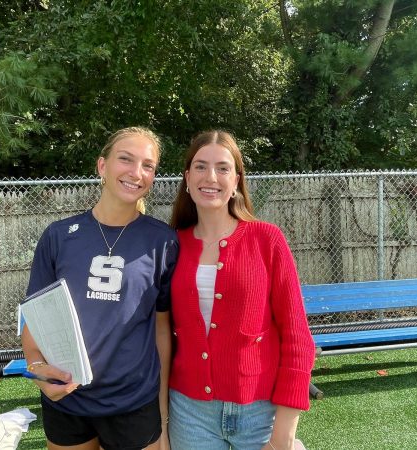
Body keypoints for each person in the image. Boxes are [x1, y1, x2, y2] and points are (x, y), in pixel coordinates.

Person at [21, 127, 177, 450]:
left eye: (147, 165)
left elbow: (162, 329)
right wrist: (38, 371)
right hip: (67, 403)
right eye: (126, 159)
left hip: (133, 404)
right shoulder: (59, 237)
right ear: (102, 167)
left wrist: (161, 411)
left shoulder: (162, 241)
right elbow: (35, 320)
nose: (136, 172)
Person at [168, 130, 315, 450]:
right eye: (200, 166)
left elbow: (297, 337)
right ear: (187, 178)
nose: (211, 177)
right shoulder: (170, 246)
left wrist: (284, 436)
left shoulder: (267, 240)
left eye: (223, 168)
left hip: (260, 413)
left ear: (236, 180)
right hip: (189, 415)